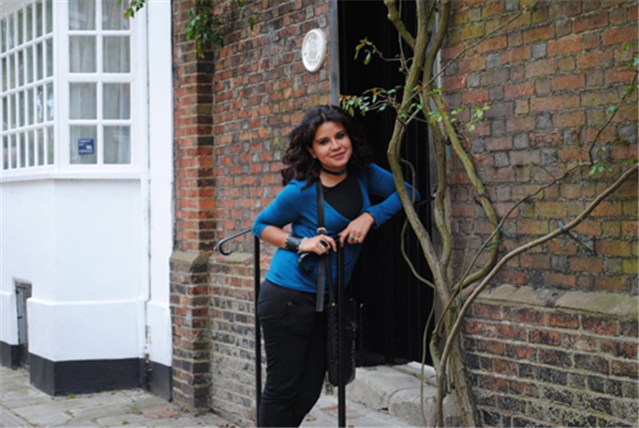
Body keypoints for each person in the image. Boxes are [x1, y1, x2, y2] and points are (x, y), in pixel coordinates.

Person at [252, 105, 420, 428]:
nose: (336, 146)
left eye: (340, 136)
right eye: (324, 142)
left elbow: (408, 192)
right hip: (286, 298)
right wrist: (301, 243)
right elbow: (261, 226)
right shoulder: (301, 190)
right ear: (311, 151)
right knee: (282, 388)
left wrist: (370, 216)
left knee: (308, 391)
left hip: (326, 300)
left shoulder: (364, 173)